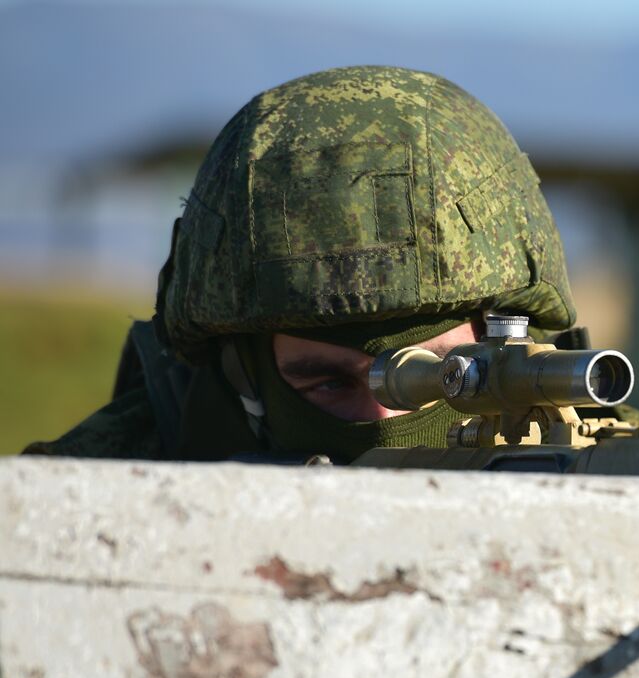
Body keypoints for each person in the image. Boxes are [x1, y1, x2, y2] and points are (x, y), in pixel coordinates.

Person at [25, 65, 592, 464]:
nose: (387, 422)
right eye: (327, 383)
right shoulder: (84, 501)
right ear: (240, 372)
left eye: (450, 376)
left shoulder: (616, 464)